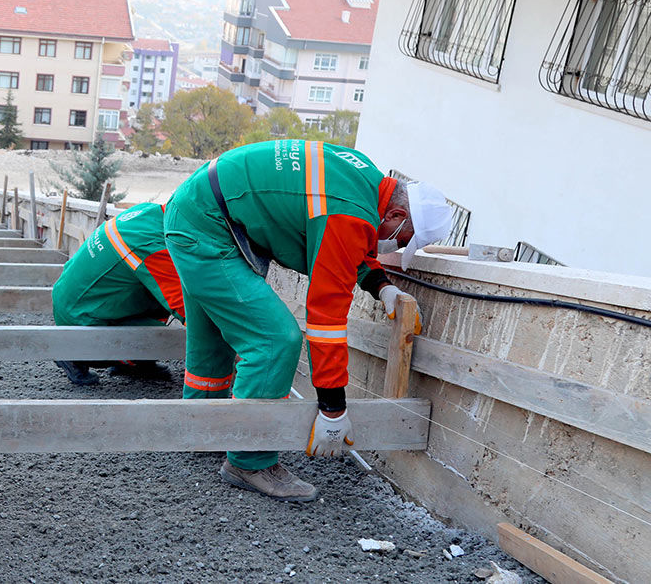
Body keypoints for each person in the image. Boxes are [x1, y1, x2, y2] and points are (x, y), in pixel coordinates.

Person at [162, 139, 451, 502]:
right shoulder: (350, 214)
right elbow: (326, 316)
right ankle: (250, 460)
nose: (390, 245)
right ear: (394, 216)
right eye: (400, 239)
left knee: (212, 337)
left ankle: (203, 430)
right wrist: (333, 409)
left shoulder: (364, 177)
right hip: (207, 227)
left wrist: (381, 286)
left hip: (197, 211)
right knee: (274, 340)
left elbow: (346, 244)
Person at [51, 203, 185, 385]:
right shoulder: (150, 246)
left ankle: (133, 362)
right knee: (166, 336)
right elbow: (185, 308)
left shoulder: (149, 212)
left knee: (158, 290)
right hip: (80, 320)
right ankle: (75, 354)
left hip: (70, 300)